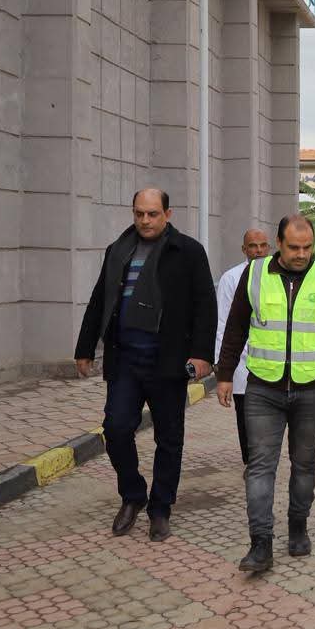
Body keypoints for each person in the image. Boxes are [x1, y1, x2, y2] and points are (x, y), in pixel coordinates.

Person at [75, 188, 217, 543]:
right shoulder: (118, 250)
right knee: (116, 428)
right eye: (139, 213)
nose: (145, 220)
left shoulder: (187, 251)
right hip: (125, 359)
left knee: (169, 438)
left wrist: (202, 354)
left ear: (167, 214)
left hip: (167, 361)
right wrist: (85, 348)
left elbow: (205, 305)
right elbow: (99, 299)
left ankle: (160, 508)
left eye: (152, 214)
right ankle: (133, 495)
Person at [214, 215, 315, 573]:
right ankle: (260, 543)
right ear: (278, 243)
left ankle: (298, 525)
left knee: (304, 464)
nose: (301, 254)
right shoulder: (255, 274)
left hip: (311, 389)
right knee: (260, 466)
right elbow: (236, 327)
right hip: (263, 387)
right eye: (294, 247)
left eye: (307, 247)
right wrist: (225, 375)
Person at [215, 228, 273, 465]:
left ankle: (264, 462)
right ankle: (251, 464)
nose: (258, 250)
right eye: (252, 246)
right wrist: (222, 366)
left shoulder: (278, 276)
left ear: (269, 247)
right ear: (244, 249)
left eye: (262, 245)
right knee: (246, 418)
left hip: (272, 361)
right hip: (241, 362)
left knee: (269, 419)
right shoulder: (231, 278)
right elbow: (223, 323)